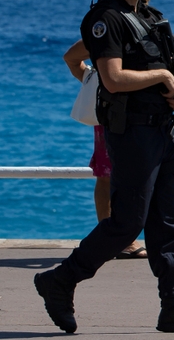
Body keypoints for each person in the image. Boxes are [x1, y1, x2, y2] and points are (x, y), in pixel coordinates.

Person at [34, 0, 174, 335]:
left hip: (165, 132)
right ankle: (60, 280)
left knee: (165, 224)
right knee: (126, 223)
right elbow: (114, 79)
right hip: (132, 133)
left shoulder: (152, 18)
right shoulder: (107, 19)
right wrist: (163, 76)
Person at [63, 39, 147, 259]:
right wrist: (94, 76)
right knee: (109, 176)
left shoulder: (113, 27)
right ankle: (117, 239)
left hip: (121, 110)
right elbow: (72, 58)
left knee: (112, 176)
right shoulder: (111, 29)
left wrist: (90, 77)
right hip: (116, 112)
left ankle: (114, 238)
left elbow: (72, 60)